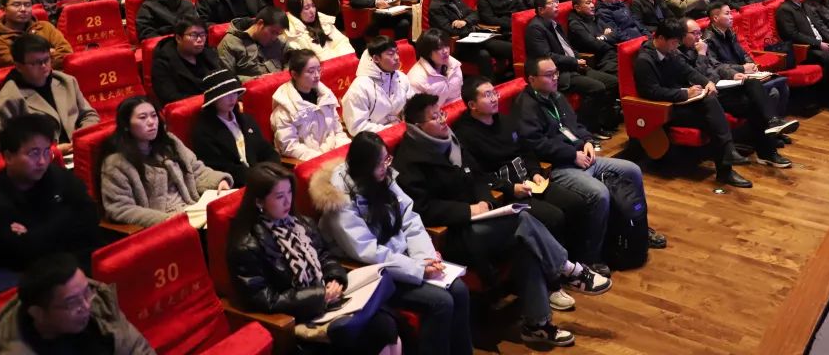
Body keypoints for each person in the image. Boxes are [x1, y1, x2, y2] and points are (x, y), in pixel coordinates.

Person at [397, 93, 611, 346]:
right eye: (435, 117)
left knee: (524, 243)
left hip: (482, 218)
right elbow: (422, 208)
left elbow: (477, 176)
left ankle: (538, 324)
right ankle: (569, 270)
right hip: (453, 233)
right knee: (521, 222)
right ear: (417, 127)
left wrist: (486, 201)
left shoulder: (450, 141)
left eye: (442, 113)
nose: (443, 120)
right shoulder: (409, 160)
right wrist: (468, 210)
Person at [311, 132, 473, 355]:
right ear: (364, 167)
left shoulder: (383, 178)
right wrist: (418, 268)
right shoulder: (340, 201)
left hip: (403, 260)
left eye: (387, 159)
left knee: (460, 290)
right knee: (441, 302)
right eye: (380, 163)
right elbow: (367, 251)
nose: (386, 167)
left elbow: (410, 217)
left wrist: (425, 257)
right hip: (375, 273)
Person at [227, 162, 401, 355]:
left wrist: (334, 278)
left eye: (289, 193)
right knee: (375, 333)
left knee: (387, 324)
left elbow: (325, 256)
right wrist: (319, 296)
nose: (287, 201)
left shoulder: (301, 223)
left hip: (327, 302)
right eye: (279, 196)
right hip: (297, 319)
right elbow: (265, 300)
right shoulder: (246, 245)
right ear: (259, 202)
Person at [513, 56, 668, 257]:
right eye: (549, 75)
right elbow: (536, 144)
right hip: (559, 166)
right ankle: (592, 255)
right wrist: (572, 154)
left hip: (581, 157)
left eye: (556, 73)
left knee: (633, 170)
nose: (555, 78)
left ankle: (639, 230)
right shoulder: (525, 106)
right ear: (532, 79)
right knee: (599, 193)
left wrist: (586, 140)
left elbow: (575, 125)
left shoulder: (556, 96)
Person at [453, 78, 591, 271]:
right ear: (472, 105)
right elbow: (478, 176)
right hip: (506, 194)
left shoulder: (505, 120)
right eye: (487, 95)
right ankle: (558, 271)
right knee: (554, 216)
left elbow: (526, 150)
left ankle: (581, 262)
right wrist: (511, 188)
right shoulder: (464, 135)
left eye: (494, 93)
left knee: (576, 203)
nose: (494, 98)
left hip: (530, 182)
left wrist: (535, 172)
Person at [632, 20, 753, 188]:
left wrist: (706, 82)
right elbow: (651, 92)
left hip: (680, 102)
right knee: (713, 118)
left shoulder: (670, 52)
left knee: (710, 102)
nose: (676, 47)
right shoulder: (644, 60)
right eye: (674, 43)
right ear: (660, 38)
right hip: (664, 110)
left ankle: (727, 162)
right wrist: (684, 94)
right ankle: (726, 164)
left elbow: (688, 71)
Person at [0, 114, 98, 272]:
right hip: (39, 277)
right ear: (8, 157)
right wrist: (66, 217)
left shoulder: (56, 175)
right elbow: (22, 255)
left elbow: (90, 215)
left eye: (46, 151)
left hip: (81, 261)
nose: (42, 161)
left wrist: (33, 232)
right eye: (34, 153)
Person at [100, 96, 232, 228]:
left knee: (231, 211)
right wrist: (166, 220)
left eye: (154, 116)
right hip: (165, 224)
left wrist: (219, 181)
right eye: (142, 117)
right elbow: (121, 208)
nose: (151, 122)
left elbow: (196, 170)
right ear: (126, 125)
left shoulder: (170, 142)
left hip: (193, 209)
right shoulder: (116, 163)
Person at [0, 253, 155, 355]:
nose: (86, 306)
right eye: (72, 303)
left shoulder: (100, 306)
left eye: (86, 293)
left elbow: (137, 348)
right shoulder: (18, 349)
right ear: (38, 313)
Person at [679, 19, 795, 166]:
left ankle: (772, 124)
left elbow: (717, 66)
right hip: (708, 95)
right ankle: (768, 149)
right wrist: (701, 54)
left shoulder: (700, 46)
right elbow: (696, 77)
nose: (698, 36)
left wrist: (733, 74)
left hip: (721, 85)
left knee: (752, 84)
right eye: (694, 33)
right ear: (681, 35)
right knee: (754, 104)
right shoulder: (679, 54)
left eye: (699, 32)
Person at [525, 0, 620, 137]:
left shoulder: (554, 24)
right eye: (551, 3)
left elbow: (568, 48)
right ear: (541, 9)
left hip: (573, 66)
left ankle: (604, 122)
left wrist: (578, 58)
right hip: (558, 73)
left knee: (613, 82)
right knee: (596, 87)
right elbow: (546, 57)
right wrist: (574, 61)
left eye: (556, 2)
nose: (556, 5)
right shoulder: (535, 28)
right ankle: (586, 129)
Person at [0, 34, 99, 151]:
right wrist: (52, 151)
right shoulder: (8, 100)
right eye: (36, 63)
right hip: (41, 160)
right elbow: (6, 148)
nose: (43, 66)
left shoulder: (67, 81)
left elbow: (89, 115)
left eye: (46, 60)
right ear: (18, 66)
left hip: (78, 149)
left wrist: (80, 139)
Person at [703, 2, 796, 123]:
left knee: (782, 86)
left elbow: (743, 53)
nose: (731, 16)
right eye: (727, 13)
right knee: (773, 93)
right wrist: (742, 69)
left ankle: (777, 124)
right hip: (729, 80)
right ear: (715, 18)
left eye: (731, 13)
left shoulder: (730, 32)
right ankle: (771, 125)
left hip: (743, 75)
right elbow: (716, 65)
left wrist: (751, 65)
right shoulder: (708, 40)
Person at [191, 70, 279, 187]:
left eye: (234, 93)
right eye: (226, 95)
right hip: (234, 185)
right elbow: (220, 167)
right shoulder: (204, 131)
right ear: (214, 99)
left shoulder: (246, 120)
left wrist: (272, 170)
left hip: (261, 179)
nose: (232, 99)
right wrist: (258, 176)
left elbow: (266, 149)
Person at [428, 0, 512, 79]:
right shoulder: (435, 8)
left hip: (475, 38)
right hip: (459, 45)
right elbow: (450, 30)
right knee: (484, 55)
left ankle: (509, 74)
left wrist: (465, 22)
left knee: (507, 46)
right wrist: (470, 27)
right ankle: (489, 84)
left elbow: (475, 14)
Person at [271, 50, 350, 160]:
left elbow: (337, 131)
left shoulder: (325, 96)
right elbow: (289, 146)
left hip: (334, 154)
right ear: (294, 74)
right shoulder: (285, 107)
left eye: (319, 70)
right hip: (310, 161)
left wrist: (345, 150)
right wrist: (322, 158)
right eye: (311, 71)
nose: (317, 75)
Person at [341, 36, 414, 134]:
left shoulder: (401, 77)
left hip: (401, 130)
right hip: (374, 138)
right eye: (391, 54)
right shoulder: (359, 88)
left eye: (397, 52)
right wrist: (391, 129)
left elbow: (412, 105)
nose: (397, 57)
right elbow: (357, 127)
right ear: (376, 58)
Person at [0, 0, 73, 69]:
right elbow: (23, 67)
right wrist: (50, 53)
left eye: (27, 5)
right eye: (16, 5)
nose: (23, 9)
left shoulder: (45, 26)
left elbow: (66, 53)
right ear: (4, 9)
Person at [151, 16, 223, 106]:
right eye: (194, 35)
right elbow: (170, 98)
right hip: (189, 108)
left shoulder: (208, 53)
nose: (200, 40)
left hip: (217, 104)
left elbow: (226, 78)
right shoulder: (162, 63)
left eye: (203, 35)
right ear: (178, 38)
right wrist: (211, 98)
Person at [218, 6, 287, 82]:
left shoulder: (277, 41)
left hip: (283, 85)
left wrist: (286, 73)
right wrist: (260, 80)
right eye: (273, 32)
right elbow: (227, 79)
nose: (274, 38)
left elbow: (293, 57)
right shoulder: (229, 44)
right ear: (260, 23)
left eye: (278, 34)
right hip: (252, 87)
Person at [283, 0, 354, 61]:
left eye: (313, 6)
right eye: (307, 8)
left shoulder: (323, 21)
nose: (312, 11)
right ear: (295, 12)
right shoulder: (294, 34)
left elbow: (341, 42)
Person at [407, 29, 463, 107]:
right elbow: (416, 111)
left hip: (458, 108)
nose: (445, 51)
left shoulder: (454, 64)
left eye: (446, 45)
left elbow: (458, 95)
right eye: (439, 48)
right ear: (427, 52)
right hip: (435, 114)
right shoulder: (417, 79)